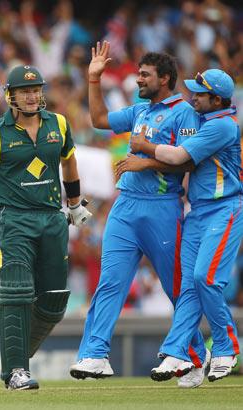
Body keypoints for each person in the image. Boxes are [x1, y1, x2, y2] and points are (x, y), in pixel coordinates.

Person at [69, 42, 207, 388]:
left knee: (176, 286)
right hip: (126, 205)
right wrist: (93, 80)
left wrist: (146, 160)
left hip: (162, 208)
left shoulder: (184, 113)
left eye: (144, 75)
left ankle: (193, 356)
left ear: (165, 79)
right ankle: (95, 354)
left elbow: (190, 161)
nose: (138, 79)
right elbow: (99, 120)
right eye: (138, 73)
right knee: (110, 282)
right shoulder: (139, 111)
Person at [0, 64, 91, 390]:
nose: (32, 97)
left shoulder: (58, 123)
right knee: (16, 294)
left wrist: (74, 204)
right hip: (14, 219)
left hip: (52, 219)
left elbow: (69, 161)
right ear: (11, 96)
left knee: (56, 298)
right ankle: (16, 370)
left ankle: (14, 359)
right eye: (25, 92)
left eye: (36, 90)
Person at [116, 69, 241, 385]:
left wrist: (143, 148)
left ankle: (226, 346)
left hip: (225, 208)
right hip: (198, 212)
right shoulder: (205, 119)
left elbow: (178, 155)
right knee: (188, 285)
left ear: (216, 100)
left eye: (199, 94)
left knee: (205, 278)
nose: (193, 97)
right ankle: (178, 352)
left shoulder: (223, 126)